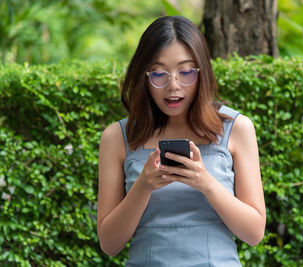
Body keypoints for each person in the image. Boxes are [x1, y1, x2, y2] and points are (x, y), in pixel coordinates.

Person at [97, 15, 266, 266]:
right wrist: (143, 186)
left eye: (186, 72)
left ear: (202, 73)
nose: (173, 85)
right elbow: (109, 244)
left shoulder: (237, 128)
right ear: (144, 76)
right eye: (158, 74)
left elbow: (254, 233)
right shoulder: (117, 137)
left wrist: (205, 182)